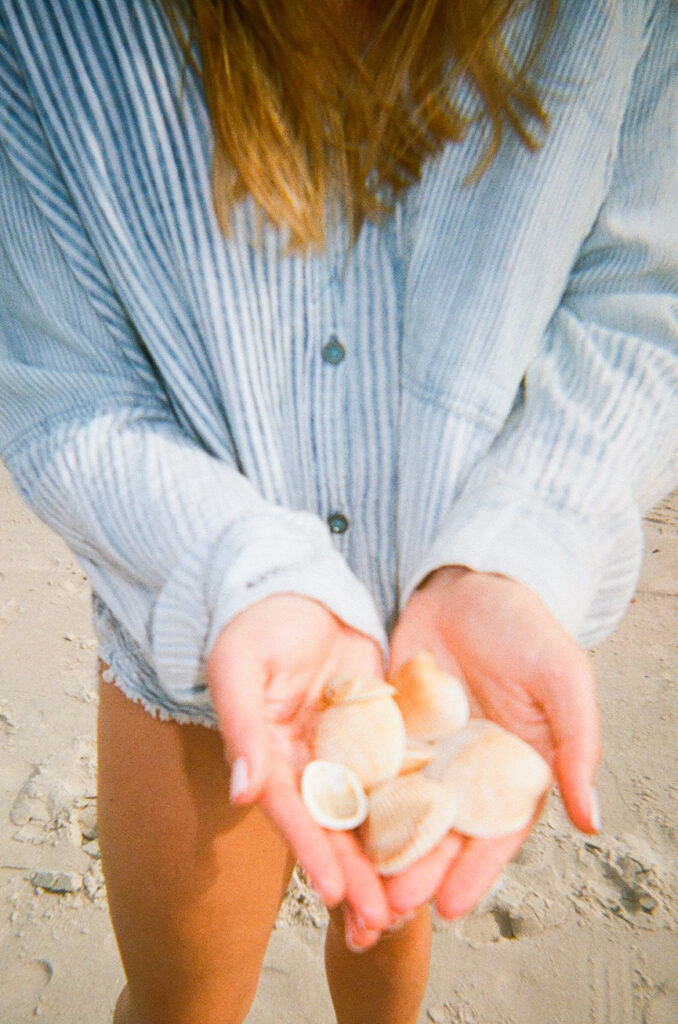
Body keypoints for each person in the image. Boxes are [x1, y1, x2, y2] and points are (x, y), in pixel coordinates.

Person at [0, 1, 676, 1021]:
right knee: (181, 1002)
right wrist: (243, 572)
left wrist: (527, 547)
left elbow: (646, 289)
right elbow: (64, 381)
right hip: (198, 628)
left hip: (433, 650)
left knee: (384, 918)